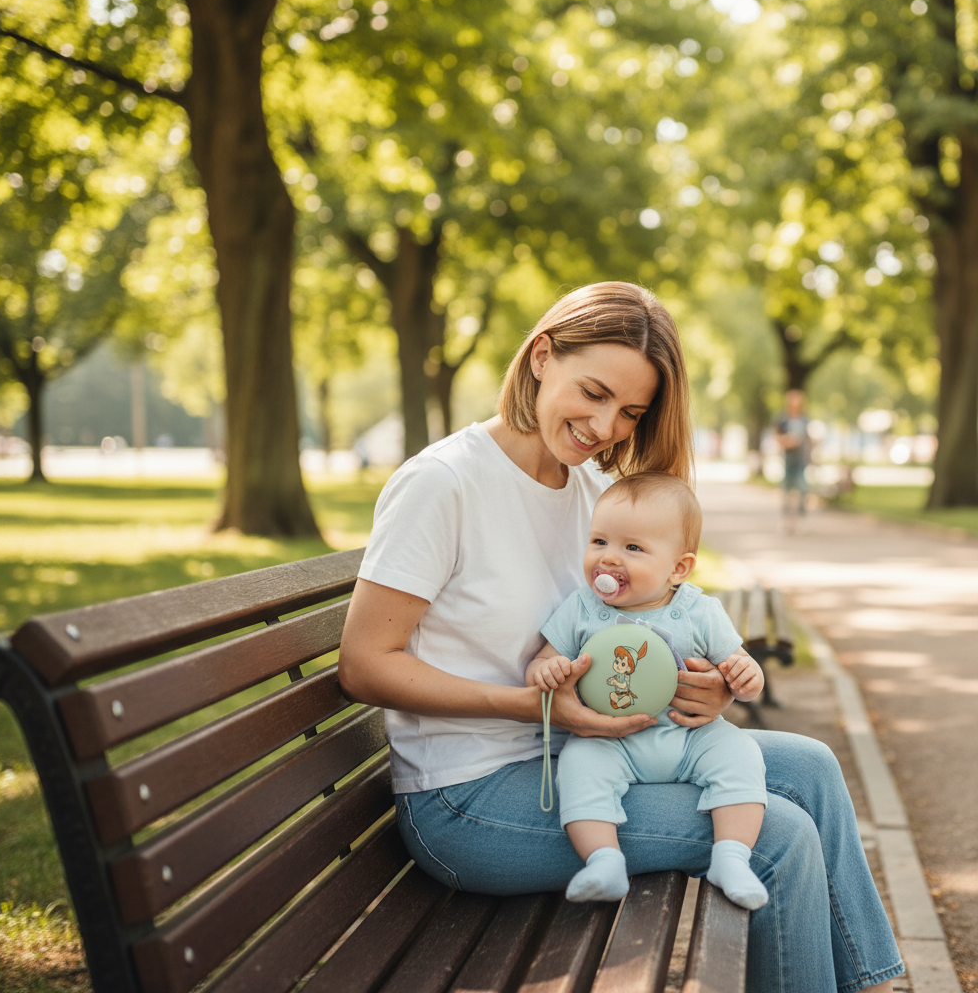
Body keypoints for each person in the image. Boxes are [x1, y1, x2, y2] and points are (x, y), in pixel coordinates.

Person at [339, 282, 903, 993]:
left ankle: (869, 984)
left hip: (580, 755)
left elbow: (625, 629)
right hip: (467, 798)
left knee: (813, 767)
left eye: (630, 411)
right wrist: (534, 707)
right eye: (595, 393)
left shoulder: (586, 489)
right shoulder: (445, 484)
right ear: (542, 355)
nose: (606, 426)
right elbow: (363, 665)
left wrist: (694, 684)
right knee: (778, 836)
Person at [527, 473, 769, 909]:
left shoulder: (698, 610)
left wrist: (746, 677)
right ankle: (603, 860)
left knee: (740, 754)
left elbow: (738, 664)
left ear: (678, 567)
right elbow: (542, 662)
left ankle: (731, 857)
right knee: (578, 766)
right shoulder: (582, 607)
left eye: (632, 548)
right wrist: (548, 672)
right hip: (608, 741)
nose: (609, 559)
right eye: (599, 541)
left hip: (687, 736)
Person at [775, 388, 810, 525]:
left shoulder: (804, 419)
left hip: (801, 460)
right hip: (788, 460)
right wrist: (787, 441)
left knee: (802, 489)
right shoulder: (783, 419)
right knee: (786, 490)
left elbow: (808, 438)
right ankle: (785, 520)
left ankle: (801, 519)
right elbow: (777, 435)